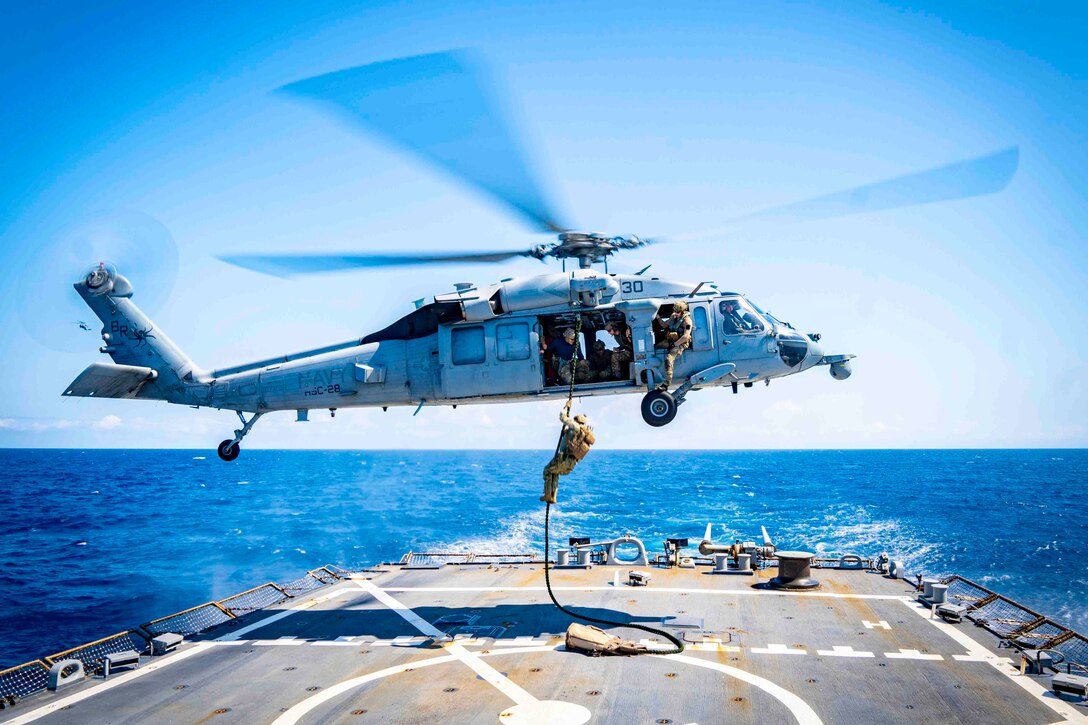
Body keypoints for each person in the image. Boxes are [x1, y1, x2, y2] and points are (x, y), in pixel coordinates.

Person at [541, 400, 595, 504]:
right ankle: (553, 497)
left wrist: (566, 407)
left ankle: (548, 495)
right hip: (571, 464)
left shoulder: (575, 426)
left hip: (563, 459)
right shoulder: (583, 432)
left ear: (577, 420)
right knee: (554, 473)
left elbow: (562, 416)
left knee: (547, 470)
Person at [655, 301, 693, 389]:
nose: (675, 313)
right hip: (671, 340)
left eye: (677, 312)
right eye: (674, 311)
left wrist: (675, 344)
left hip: (681, 343)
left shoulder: (687, 321)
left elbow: (686, 336)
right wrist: (658, 318)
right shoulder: (674, 315)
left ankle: (666, 383)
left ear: (683, 311)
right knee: (656, 346)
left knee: (669, 359)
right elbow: (665, 325)